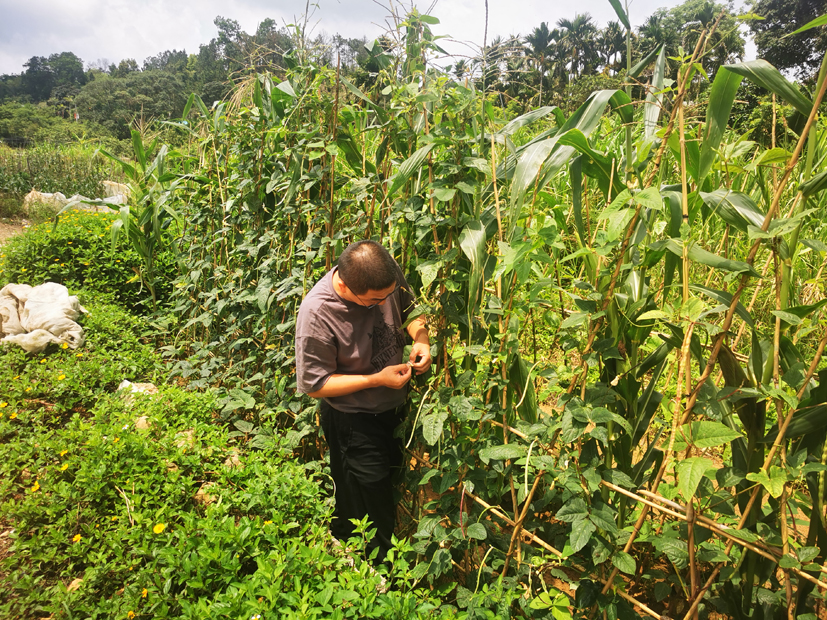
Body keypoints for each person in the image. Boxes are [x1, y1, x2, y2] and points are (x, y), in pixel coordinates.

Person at [295, 240, 431, 564]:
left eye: (388, 294)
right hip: (353, 420)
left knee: (386, 485)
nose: (385, 303)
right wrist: (375, 380)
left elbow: (411, 310)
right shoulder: (317, 313)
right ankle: (379, 578)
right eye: (375, 301)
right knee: (371, 502)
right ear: (343, 284)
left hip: (393, 408)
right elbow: (315, 384)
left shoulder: (382, 273)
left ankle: (361, 553)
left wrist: (421, 338)